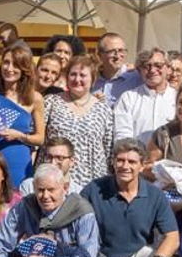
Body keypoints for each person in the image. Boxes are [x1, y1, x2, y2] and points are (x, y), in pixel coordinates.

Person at [0, 43, 44, 185]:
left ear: (24, 69)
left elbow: (40, 139)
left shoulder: (35, 98)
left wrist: (20, 136)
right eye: (6, 62)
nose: (9, 68)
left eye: (15, 64)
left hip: (20, 163)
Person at [45, 54, 114, 188]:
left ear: (93, 79)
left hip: (93, 182)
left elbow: (108, 149)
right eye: (73, 74)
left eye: (83, 75)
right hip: (54, 180)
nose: (77, 79)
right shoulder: (51, 102)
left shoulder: (103, 109)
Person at [112, 48, 177, 145]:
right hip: (139, 158)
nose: (152, 70)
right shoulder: (128, 99)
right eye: (146, 66)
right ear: (139, 70)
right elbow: (122, 136)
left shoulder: (179, 98)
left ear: (168, 68)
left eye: (158, 65)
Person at [19, 135, 83, 196]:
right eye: (49, 157)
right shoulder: (29, 186)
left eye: (59, 158)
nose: (53, 163)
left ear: (72, 161)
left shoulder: (79, 192)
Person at [93, 32, 142, 106]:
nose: (117, 56)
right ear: (100, 55)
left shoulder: (137, 79)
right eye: (112, 51)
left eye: (121, 50)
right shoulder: (91, 81)